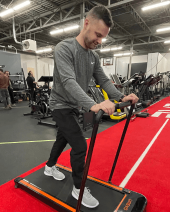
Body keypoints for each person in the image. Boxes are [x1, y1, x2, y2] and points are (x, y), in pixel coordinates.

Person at [43, 5, 139, 209]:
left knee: (62, 139)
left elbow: (104, 81)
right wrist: (93, 105)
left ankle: (49, 167)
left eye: (103, 37)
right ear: (86, 23)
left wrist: (123, 97)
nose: (100, 40)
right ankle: (78, 188)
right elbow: (69, 82)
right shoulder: (64, 48)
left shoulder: (93, 56)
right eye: (98, 34)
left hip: (74, 106)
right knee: (79, 145)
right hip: (60, 105)